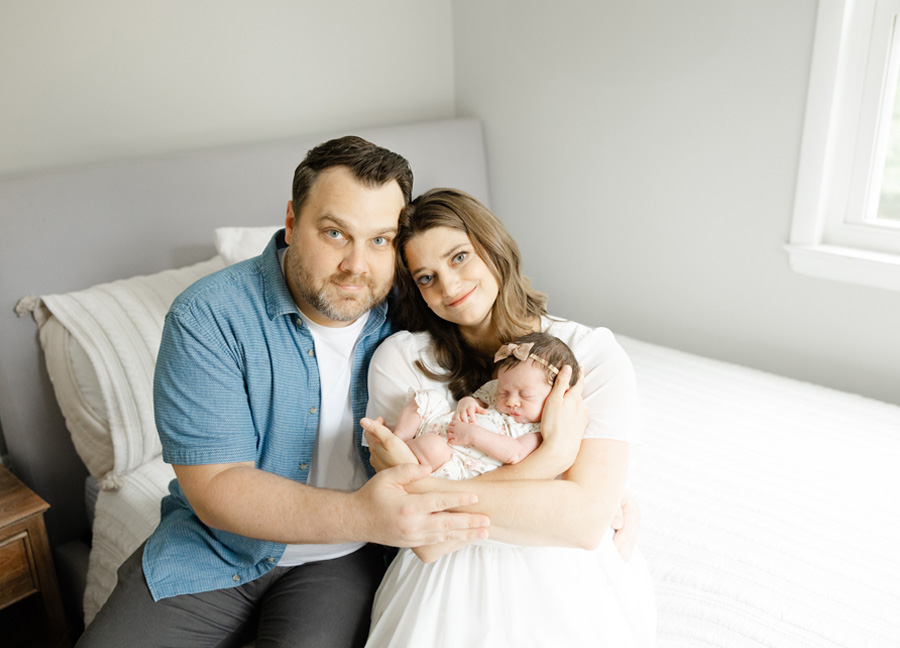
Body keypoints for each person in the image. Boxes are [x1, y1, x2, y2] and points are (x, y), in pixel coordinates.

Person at [75, 137, 493, 648]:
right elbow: (219, 485)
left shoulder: (414, 300)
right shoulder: (208, 316)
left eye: (380, 239)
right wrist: (366, 513)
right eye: (336, 233)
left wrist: (581, 455)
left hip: (341, 560)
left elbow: (502, 349)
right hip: (214, 547)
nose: (357, 265)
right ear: (292, 222)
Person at [362, 188, 657, 647]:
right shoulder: (402, 362)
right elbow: (423, 535)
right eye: (425, 277)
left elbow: (581, 525)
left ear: (493, 246)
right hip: (440, 583)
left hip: (569, 578)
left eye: (460, 257)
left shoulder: (593, 355)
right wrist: (554, 460)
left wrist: (441, 495)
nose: (449, 286)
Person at [396, 332, 580, 479]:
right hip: (442, 425)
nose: (511, 401)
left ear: (554, 395)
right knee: (428, 398)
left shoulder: (536, 430)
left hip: (456, 458)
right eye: (504, 392)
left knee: (432, 447)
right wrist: (467, 403)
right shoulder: (495, 390)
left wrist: (473, 435)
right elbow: (477, 399)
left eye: (526, 395)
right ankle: (399, 437)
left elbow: (514, 453)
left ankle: (400, 453)